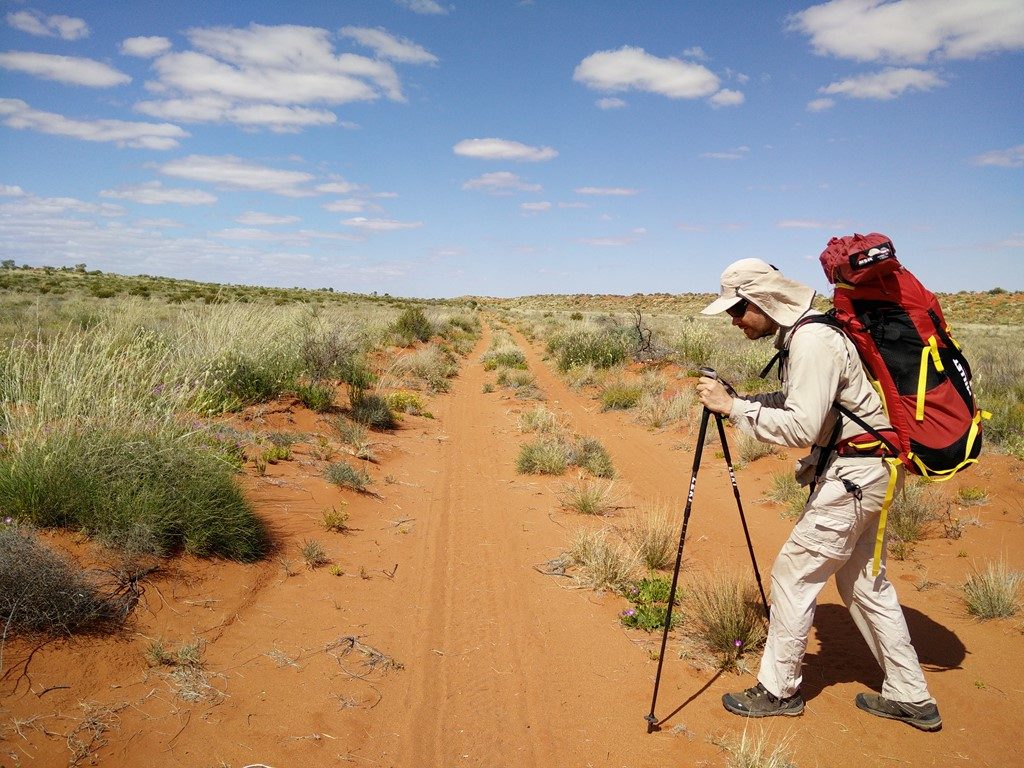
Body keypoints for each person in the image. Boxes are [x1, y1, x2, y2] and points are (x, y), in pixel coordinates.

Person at [695, 257, 941, 731]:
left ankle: (778, 689)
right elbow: (804, 406)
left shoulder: (811, 340)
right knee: (864, 583)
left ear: (763, 301)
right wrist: (740, 402)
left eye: (737, 310)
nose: (733, 320)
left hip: (855, 475)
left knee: (794, 571)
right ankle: (911, 696)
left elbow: (801, 426)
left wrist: (733, 410)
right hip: (869, 470)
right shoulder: (807, 336)